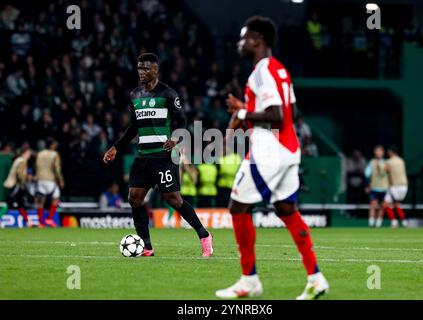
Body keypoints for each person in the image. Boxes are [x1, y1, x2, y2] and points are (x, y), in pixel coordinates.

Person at [216, 16, 329, 300]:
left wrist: (242, 114)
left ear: (257, 40)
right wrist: (247, 109)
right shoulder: (280, 70)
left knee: (238, 208)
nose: (239, 43)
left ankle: (249, 280)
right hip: (289, 150)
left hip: (269, 150)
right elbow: (289, 111)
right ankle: (316, 278)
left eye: (244, 38)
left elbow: (276, 116)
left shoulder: (261, 72)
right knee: (286, 209)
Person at [103, 53, 213, 257]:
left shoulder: (169, 94)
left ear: (156, 70)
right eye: (139, 68)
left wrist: (175, 139)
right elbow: (133, 127)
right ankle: (146, 246)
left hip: (163, 155)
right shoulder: (135, 95)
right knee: (134, 198)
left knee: (173, 199)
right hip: (143, 155)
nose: (141, 72)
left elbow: (182, 121)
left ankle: (204, 234)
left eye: (145, 68)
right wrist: (115, 147)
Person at [35, 138, 65, 228]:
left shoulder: (40, 154)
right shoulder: (55, 154)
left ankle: (41, 222)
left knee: (40, 201)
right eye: (55, 144)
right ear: (51, 145)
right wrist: (60, 179)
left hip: (40, 179)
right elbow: (57, 168)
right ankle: (49, 219)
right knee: (56, 198)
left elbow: (36, 166)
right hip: (50, 179)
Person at [3, 146, 32, 227]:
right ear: (25, 153)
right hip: (15, 185)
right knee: (10, 204)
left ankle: (28, 222)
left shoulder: (18, 159)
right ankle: (28, 222)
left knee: (19, 204)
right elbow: (20, 174)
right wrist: (23, 184)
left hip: (12, 185)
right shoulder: (22, 161)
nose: (30, 155)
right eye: (29, 153)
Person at [383, 146, 409, 228]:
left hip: (395, 186)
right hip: (404, 185)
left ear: (390, 152)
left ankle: (395, 222)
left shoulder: (389, 161)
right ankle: (403, 222)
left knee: (386, 204)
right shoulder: (401, 160)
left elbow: (385, 171)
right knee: (396, 204)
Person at [364, 145, 389, 228]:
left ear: (383, 153)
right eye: (377, 151)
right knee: (373, 205)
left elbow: (387, 174)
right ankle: (371, 223)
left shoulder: (386, 162)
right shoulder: (371, 162)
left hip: (384, 187)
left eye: (380, 151)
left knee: (382, 206)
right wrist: (368, 185)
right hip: (374, 187)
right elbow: (367, 174)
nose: (378, 153)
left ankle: (378, 223)